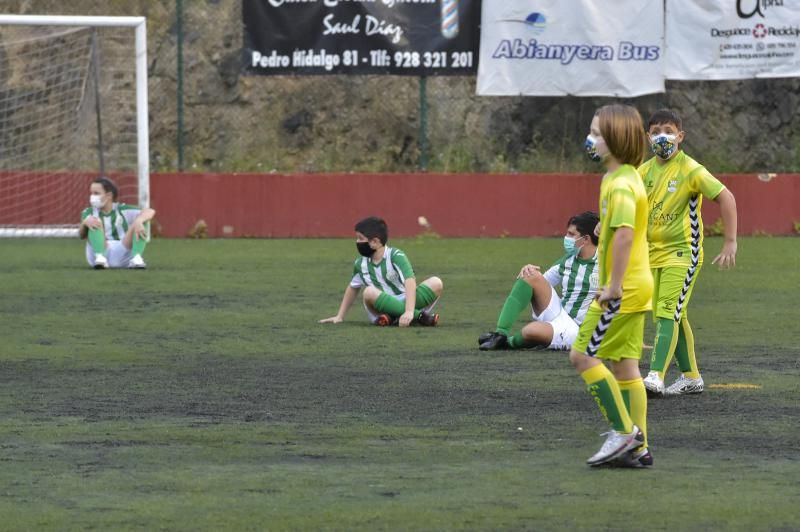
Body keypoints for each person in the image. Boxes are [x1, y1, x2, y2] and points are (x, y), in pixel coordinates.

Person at [568, 104, 654, 467]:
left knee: (582, 355)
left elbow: (623, 236)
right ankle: (639, 446)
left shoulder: (619, 183)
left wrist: (613, 285)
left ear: (617, 139)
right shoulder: (626, 177)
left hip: (623, 288)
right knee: (625, 365)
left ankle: (623, 433)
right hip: (639, 285)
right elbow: (617, 229)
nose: (591, 140)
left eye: (597, 134)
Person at [639, 109, 738, 396]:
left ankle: (655, 376)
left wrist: (730, 241)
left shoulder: (690, 169)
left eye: (668, 131)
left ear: (680, 136)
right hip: (652, 255)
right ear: (648, 136)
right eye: (656, 131)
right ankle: (691, 378)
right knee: (672, 315)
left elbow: (726, 197)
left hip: (683, 253)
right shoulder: (643, 172)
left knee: (667, 313)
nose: (662, 136)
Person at [478, 211, 600, 352]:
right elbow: (540, 282)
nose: (566, 238)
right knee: (531, 274)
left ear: (585, 239)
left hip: (579, 330)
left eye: (572, 235)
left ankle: (508, 343)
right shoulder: (568, 260)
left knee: (531, 331)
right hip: (561, 314)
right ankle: (500, 334)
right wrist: (529, 272)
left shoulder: (607, 262)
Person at [319, 216, 443, 327]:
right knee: (368, 292)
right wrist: (340, 316)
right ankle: (420, 317)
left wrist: (409, 311)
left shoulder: (396, 255)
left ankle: (393, 317)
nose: (357, 242)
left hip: (405, 300)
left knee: (436, 283)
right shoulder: (360, 264)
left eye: (360, 238)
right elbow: (353, 288)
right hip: (380, 307)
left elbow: (410, 281)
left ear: (375, 242)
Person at [79, 176, 155, 269]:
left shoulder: (122, 209)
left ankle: (136, 258)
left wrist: (139, 220)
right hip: (98, 254)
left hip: (122, 252)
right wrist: (84, 223)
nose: (92, 197)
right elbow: (82, 236)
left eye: (96, 193)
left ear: (109, 195)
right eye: (91, 193)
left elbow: (150, 211)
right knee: (94, 221)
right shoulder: (88, 212)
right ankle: (100, 258)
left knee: (142, 220)